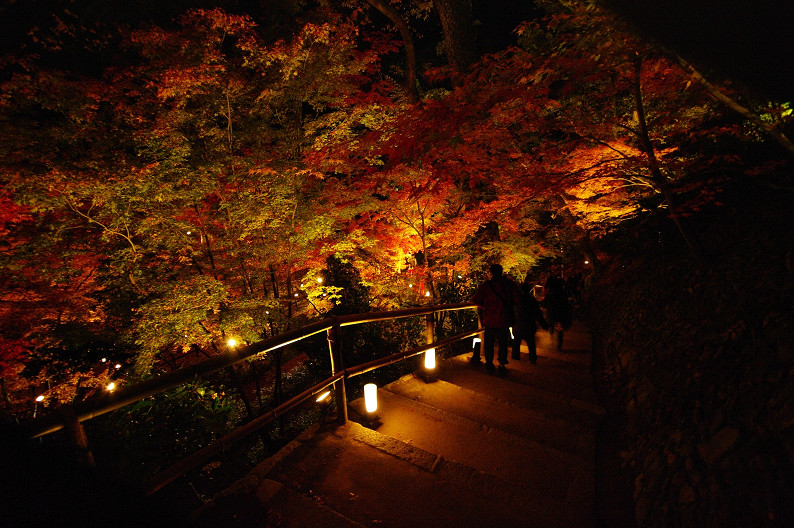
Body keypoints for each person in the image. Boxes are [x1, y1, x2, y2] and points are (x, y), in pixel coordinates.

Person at [471, 264, 520, 375]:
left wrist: (486, 306)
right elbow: (518, 299)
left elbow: (476, 300)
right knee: (503, 342)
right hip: (504, 319)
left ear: (491, 273)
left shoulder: (487, 286)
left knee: (489, 342)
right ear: (502, 272)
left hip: (490, 319)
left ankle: (489, 362)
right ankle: (502, 364)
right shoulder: (509, 284)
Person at [512, 275, 548, 365]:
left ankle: (515, 359)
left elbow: (511, 311)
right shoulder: (532, 300)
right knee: (531, 343)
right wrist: (543, 324)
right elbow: (537, 313)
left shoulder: (516, 300)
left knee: (516, 343)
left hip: (517, 324)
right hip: (529, 324)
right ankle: (532, 359)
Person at [542, 275, 572, 351]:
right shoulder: (562, 294)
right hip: (560, 313)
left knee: (551, 326)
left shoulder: (550, 294)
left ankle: (551, 339)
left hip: (551, 313)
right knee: (559, 329)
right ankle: (559, 344)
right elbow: (566, 305)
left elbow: (544, 304)